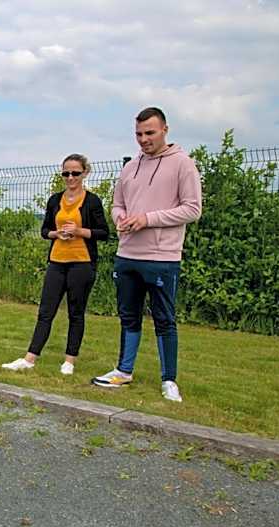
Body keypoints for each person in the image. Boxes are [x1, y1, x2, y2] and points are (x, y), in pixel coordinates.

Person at [91, 107, 202, 402]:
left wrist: (147, 219)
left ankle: (169, 380)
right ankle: (123, 371)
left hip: (163, 257)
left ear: (165, 129)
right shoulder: (130, 167)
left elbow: (192, 209)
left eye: (149, 133)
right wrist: (120, 218)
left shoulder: (183, 164)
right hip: (127, 254)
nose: (143, 139)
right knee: (128, 316)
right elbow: (117, 204)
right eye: (139, 134)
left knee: (164, 319)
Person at [2, 154, 110, 375]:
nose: (70, 177)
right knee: (45, 311)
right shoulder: (54, 200)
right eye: (66, 173)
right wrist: (56, 234)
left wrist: (79, 231)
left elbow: (104, 233)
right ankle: (29, 359)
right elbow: (44, 231)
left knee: (75, 313)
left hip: (82, 263)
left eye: (75, 173)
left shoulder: (92, 201)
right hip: (57, 262)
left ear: (85, 173)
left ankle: (69, 361)